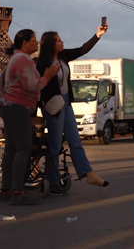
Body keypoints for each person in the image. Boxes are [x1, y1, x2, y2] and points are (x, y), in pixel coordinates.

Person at [37, 22, 109, 195]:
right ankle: (53, 181)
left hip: (67, 102)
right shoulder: (41, 63)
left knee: (75, 140)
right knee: (54, 145)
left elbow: (83, 49)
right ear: (50, 44)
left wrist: (98, 35)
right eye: (59, 40)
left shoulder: (63, 57)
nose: (62, 42)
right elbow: (38, 87)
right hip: (53, 105)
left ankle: (89, 173)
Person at [0, 29, 55, 205]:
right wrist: (47, 77)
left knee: (11, 150)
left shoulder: (15, 57)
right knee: (23, 149)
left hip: (8, 105)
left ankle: (6, 189)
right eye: (33, 40)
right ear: (24, 43)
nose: (36, 43)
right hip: (18, 107)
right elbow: (32, 85)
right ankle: (17, 193)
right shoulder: (23, 59)